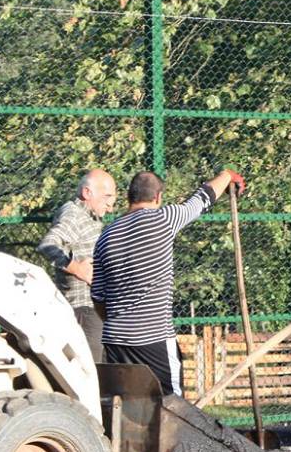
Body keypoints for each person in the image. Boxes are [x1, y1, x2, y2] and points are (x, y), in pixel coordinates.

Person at [91, 167, 246, 395]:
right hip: (153, 339)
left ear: (128, 197)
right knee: (172, 406)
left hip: (115, 340)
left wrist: (120, 322)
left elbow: (98, 297)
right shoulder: (164, 218)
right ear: (158, 197)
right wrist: (227, 175)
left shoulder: (106, 236)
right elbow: (202, 198)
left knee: (126, 405)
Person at [36, 168, 116, 363]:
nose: (110, 206)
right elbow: (48, 245)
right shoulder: (74, 214)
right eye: (106, 197)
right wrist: (77, 268)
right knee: (91, 369)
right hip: (83, 310)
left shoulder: (91, 217)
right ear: (87, 193)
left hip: (94, 308)